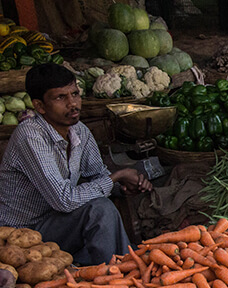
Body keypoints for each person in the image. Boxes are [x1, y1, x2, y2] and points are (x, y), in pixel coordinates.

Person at [0, 63, 152, 265]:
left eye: (75, 94)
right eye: (60, 98)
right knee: (100, 210)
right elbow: (64, 200)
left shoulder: (78, 130)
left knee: (102, 210)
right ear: (39, 106)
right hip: (23, 234)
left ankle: (120, 274)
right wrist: (117, 176)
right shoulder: (30, 136)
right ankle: (119, 277)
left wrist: (122, 187)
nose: (73, 104)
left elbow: (98, 174)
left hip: (58, 222)